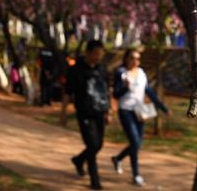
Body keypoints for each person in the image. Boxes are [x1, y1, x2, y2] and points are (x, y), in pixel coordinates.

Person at [110, 48, 169, 188]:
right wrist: (125, 87)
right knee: (135, 142)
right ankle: (136, 175)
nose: (135, 61)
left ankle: (118, 158)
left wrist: (162, 107)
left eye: (138, 58)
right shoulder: (121, 73)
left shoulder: (142, 73)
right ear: (126, 59)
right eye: (132, 58)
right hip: (125, 110)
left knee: (137, 144)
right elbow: (116, 95)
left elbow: (148, 91)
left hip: (139, 111)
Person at [61, 40, 110, 190]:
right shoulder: (76, 70)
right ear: (88, 53)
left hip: (100, 111)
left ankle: (79, 160)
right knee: (92, 144)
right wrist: (63, 113)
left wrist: (109, 111)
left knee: (99, 144)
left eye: (100, 54)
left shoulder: (102, 69)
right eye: (96, 54)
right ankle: (95, 180)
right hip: (84, 113)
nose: (98, 57)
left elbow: (106, 91)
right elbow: (68, 92)